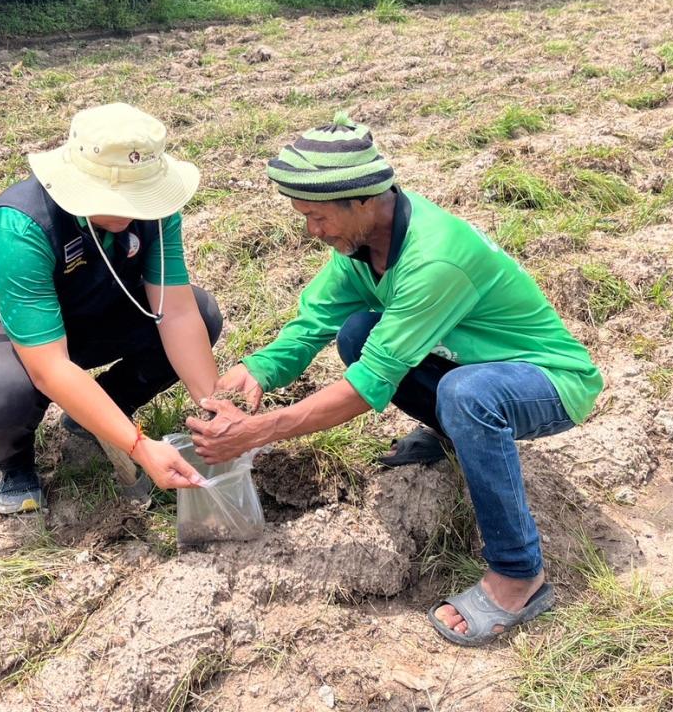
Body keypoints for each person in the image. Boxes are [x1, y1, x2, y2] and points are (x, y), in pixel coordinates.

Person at [186, 113, 603, 645]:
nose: (312, 232)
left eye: (317, 217)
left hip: (548, 382)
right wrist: (260, 368)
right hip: (471, 362)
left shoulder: (433, 259)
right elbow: (316, 319)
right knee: (358, 331)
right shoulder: (362, 247)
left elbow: (368, 386)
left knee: (467, 396)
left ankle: (519, 575)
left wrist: (260, 430)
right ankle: (456, 433)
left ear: (363, 200)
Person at [0, 103, 223, 514]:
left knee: (202, 311)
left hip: (93, 303)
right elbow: (48, 365)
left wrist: (214, 407)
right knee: (2, 392)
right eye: (122, 199)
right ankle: (11, 461)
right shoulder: (19, 226)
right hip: (3, 323)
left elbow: (176, 313)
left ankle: (99, 413)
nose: (134, 210)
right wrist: (140, 446)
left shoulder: (156, 216)